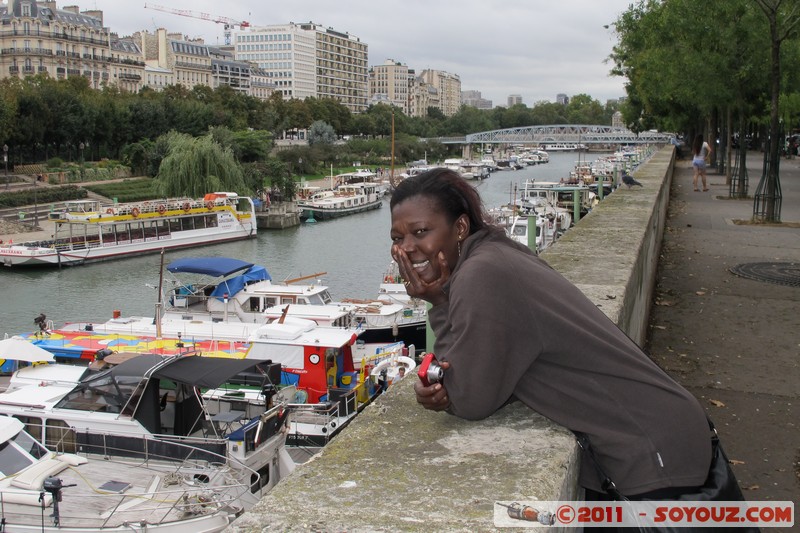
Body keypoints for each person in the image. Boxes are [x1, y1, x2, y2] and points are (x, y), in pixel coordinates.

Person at [390, 168, 727, 504]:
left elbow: (469, 398)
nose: (407, 249)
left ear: (460, 227)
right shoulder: (496, 254)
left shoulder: (481, 274)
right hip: (661, 431)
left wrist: (437, 302)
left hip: (652, 448)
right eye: (397, 238)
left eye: (420, 232)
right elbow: (497, 368)